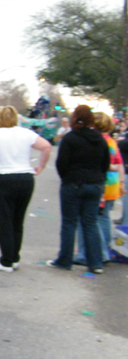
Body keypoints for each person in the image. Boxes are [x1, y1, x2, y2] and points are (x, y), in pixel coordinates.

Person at [0, 106, 52, 272]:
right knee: (18, 220)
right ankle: (15, 257)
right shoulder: (26, 133)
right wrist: (40, 166)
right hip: (25, 177)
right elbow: (46, 146)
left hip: (4, 178)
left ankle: (6, 261)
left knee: (5, 221)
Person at [47, 105, 110, 273]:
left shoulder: (70, 138)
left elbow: (61, 163)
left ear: (74, 118)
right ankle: (96, 263)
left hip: (73, 183)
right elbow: (105, 163)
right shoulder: (100, 140)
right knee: (90, 223)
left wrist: (67, 178)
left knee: (69, 223)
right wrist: (98, 178)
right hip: (95, 184)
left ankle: (65, 260)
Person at [72, 112, 125, 266]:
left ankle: (87, 253)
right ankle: (104, 250)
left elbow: (104, 163)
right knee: (104, 218)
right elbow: (119, 162)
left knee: (87, 219)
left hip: (100, 181)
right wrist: (121, 183)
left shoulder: (98, 141)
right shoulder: (112, 141)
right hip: (113, 184)